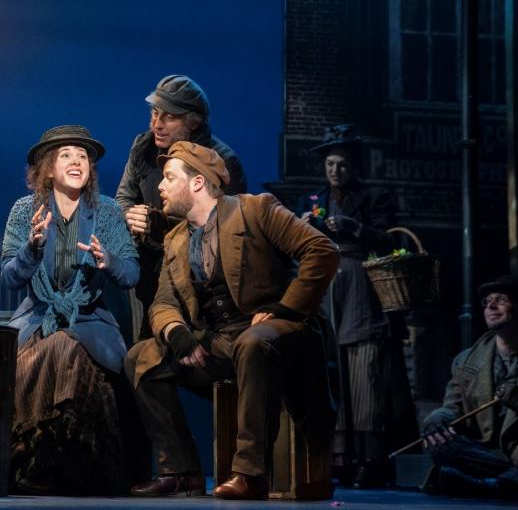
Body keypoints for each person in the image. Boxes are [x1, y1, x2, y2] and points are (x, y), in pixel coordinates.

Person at [126, 141, 338, 499]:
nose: (160, 187)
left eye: (168, 178)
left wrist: (286, 308)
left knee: (253, 343)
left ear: (196, 183)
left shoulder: (256, 210)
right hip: (218, 339)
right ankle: (180, 470)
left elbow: (321, 250)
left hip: (276, 331)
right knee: (141, 358)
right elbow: (163, 301)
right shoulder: (176, 238)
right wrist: (178, 333)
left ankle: (250, 472)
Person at [1, 125, 141, 494]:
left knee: (68, 347)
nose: (77, 161)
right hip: (36, 317)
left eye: (83, 157)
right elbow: (10, 278)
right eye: (66, 155)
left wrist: (107, 260)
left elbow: (131, 272)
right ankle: (31, 461)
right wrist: (31, 249)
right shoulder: (25, 210)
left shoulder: (107, 211)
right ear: (48, 168)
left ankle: (69, 464)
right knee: (44, 352)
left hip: (90, 319)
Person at [297, 124, 417, 487]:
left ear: (354, 166)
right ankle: (339, 457)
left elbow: (389, 240)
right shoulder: (313, 200)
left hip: (361, 283)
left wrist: (354, 228)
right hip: (326, 285)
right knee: (332, 368)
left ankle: (371, 458)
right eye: (331, 165)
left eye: (343, 165)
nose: (336, 172)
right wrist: (302, 226)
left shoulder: (375, 197)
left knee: (364, 367)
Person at [115, 75, 246, 339]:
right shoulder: (143, 147)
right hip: (149, 270)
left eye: (169, 117)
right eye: (154, 113)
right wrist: (129, 214)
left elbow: (229, 229)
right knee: (147, 348)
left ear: (193, 121)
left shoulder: (221, 161)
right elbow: (123, 197)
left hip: (200, 276)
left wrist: (166, 225)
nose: (157, 124)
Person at [420, 275, 518, 501]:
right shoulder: (466, 361)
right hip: (485, 453)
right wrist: (437, 419)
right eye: (487, 302)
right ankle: (513, 482)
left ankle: (491, 484)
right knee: (440, 446)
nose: (491, 306)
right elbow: (453, 408)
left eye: (501, 300)